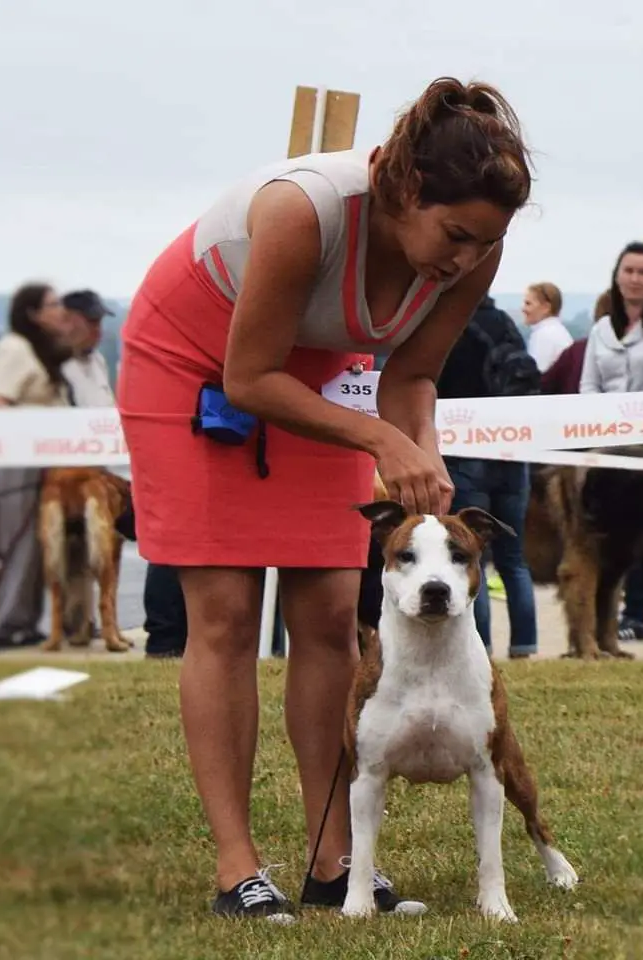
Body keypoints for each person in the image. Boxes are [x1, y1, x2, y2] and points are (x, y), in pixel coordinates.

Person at [116, 77, 532, 922]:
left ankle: (333, 860)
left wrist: (420, 459)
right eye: (454, 236)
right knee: (227, 615)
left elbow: (410, 376)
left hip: (321, 376)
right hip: (195, 364)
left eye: (482, 244)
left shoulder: (473, 247)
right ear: (406, 189)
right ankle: (238, 868)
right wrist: (381, 442)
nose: (463, 260)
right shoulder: (302, 211)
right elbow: (249, 377)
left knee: (332, 612)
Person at [580, 242, 643, 659]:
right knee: (607, 546)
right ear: (617, 275)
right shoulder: (601, 330)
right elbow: (588, 386)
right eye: (630, 270)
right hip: (607, 453)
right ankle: (602, 634)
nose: (636, 279)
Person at [437, 293, 539, 657]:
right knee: (514, 559)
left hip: (463, 453)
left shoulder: (448, 326)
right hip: (511, 454)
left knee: (471, 555)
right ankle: (525, 644)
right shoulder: (507, 326)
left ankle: (480, 646)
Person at [0, 284, 73, 650]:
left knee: (36, 544)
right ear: (32, 312)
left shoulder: (42, 352)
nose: (59, 310)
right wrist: (29, 431)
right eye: (52, 304)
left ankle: (23, 620)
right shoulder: (15, 348)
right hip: (15, 459)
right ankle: (4, 624)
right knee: (15, 541)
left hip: (42, 461)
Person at [61, 290, 116, 407]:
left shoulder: (98, 361)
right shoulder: (56, 366)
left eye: (99, 322)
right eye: (92, 321)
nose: (97, 329)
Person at [521, 282, 572, 373]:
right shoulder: (557, 331)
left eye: (528, 304)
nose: (523, 309)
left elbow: (538, 374)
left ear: (546, 308)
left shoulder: (545, 335)